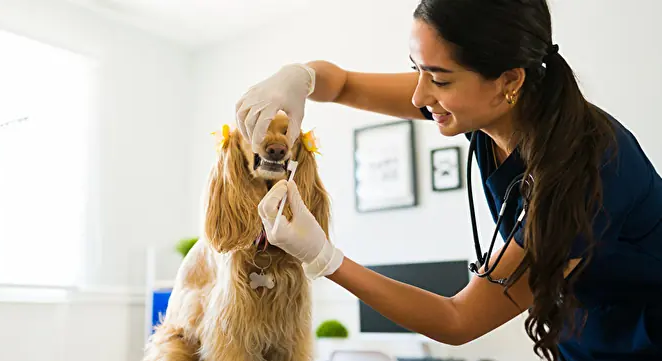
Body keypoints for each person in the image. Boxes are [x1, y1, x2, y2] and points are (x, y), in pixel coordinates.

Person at [235, 1, 662, 360]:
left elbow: (459, 319)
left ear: (509, 80)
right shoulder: (489, 106)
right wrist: (299, 79)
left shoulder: (590, 170)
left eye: (438, 78)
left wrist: (324, 258)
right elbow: (343, 84)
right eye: (417, 70)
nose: (419, 96)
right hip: (582, 336)